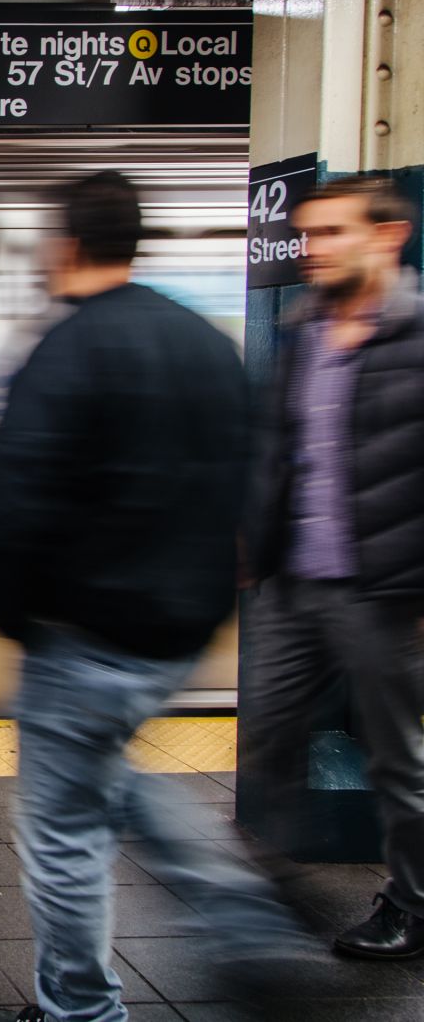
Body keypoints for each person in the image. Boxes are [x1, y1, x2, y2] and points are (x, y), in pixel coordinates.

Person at [0, 171, 303, 1022]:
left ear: (64, 246)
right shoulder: (205, 340)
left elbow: (14, 489)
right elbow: (258, 471)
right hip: (178, 632)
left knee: (63, 828)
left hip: (86, 627)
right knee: (109, 777)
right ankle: (248, 918)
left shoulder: (69, 347)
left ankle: (80, 1009)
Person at [241, 175, 424, 960]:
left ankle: (411, 904)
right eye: (310, 234)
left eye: (335, 233)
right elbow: (281, 451)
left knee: (397, 759)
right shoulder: (305, 329)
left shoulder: (417, 337)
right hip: (294, 584)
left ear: (388, 237)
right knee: (267, 732)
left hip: (384, 589)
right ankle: (272, 878)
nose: (315, 250)